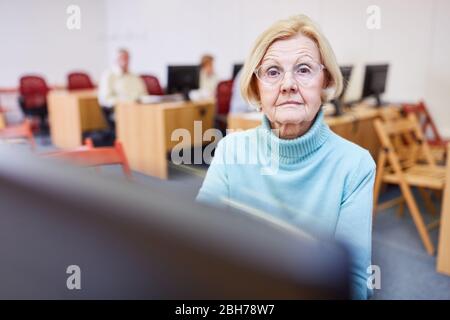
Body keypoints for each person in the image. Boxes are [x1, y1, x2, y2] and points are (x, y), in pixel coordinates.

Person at [196, 14, 376, 299]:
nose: (288, 84)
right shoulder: (231, 150)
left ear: (325, 79)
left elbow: (354, 278)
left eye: (304, 70)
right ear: (256, 87)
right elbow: (197, 243)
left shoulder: (355, 165)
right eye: (272, 72)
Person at [98, 48, 146, 130]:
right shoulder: (109, 76)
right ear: (115, 60)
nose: (125, 61)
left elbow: (144, 94)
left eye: (127, 58)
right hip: (121, 111)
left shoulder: (134, 76)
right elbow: (106, 99)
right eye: (121, 58)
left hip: (139, 108)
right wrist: (128, 103)